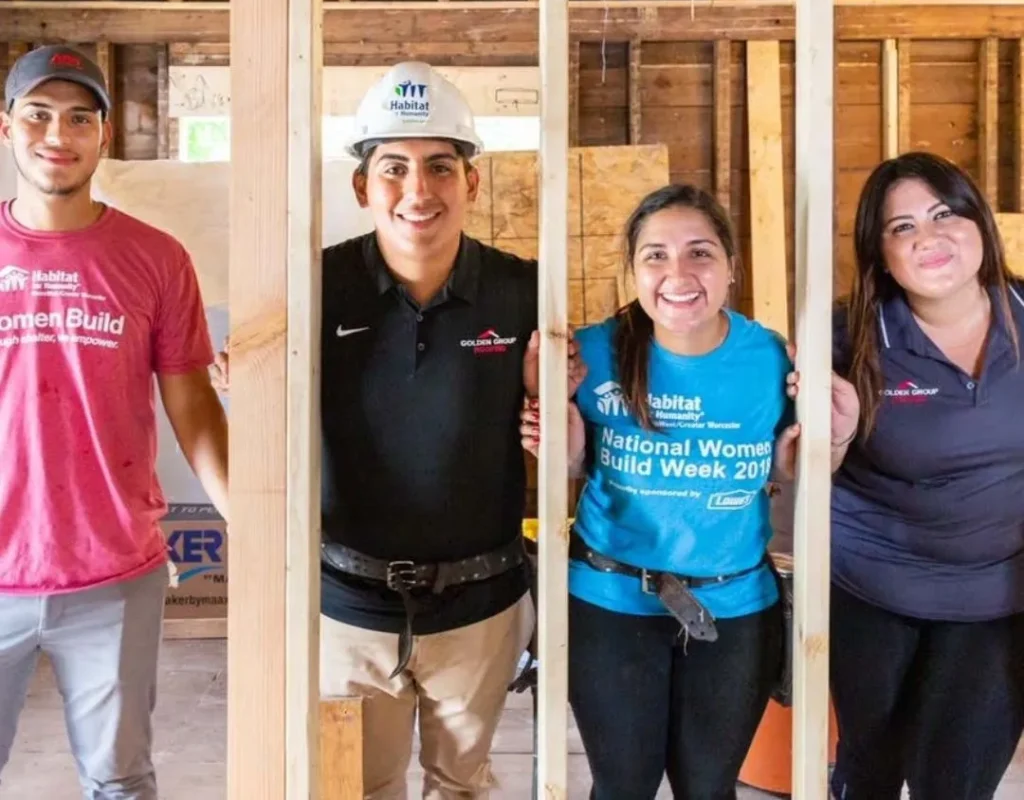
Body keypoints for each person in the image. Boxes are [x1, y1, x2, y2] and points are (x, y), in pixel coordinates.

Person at [218, 61, 582, 799]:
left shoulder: (522, 291)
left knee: (463, 783)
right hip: (349, 605)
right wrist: (245, 386)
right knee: (359, 785)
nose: (419, 191)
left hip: (482, 605)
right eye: (394, 169)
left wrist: (558, 401)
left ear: (471, 184)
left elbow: (560, 444)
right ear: (362, 186)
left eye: (441, 167)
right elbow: (267, 409)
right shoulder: (313, 289)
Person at [522, 183, 857, 800]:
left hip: (733, 610)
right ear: (633, 270)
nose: (678, 273)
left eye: (700, 253)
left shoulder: (774, 361)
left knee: (708, 787)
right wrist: (557, 427)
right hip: (609, 603)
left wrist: (831, 442)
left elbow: (796, 472)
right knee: (623, 785)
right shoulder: (591, 354)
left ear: (732, 267)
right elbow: (571, 467)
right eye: (655, 256)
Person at [0, 45, 228, 800]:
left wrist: (247, 515)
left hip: (113, 575)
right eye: (37, 115)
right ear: (7, 128)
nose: (56, 135)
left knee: (120, 779)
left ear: (104, 137)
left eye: (78, 118)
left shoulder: (156, 259)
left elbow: (191, 401)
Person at [829, 151, 1024, 800]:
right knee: (871, 771)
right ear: (881, 254)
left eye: (944, 214)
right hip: (872, 590)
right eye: (902, 227)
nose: (929, 237)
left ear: (978, 222)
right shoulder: (848, 337)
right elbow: (797, 473)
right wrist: (832, 436)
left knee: (958, 784)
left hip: (996, 599)